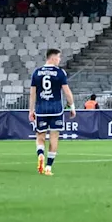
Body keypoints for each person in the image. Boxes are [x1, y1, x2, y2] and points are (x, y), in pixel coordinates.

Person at [29, 48, 75, 177]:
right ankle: (48, 167)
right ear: (53, 58)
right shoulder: (60, 73)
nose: (60, 60)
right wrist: (72, 107)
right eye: (59, 57)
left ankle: (40, 155)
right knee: (54, 137)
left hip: (41, 109)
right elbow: (67, 92)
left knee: (40, 136)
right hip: (56, 109)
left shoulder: (36, 73)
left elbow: (32, 94)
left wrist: (31, 110)